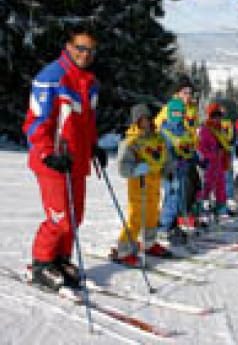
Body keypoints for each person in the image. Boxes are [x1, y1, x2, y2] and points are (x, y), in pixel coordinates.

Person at [23, 26, 107, 290]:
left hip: (76, 160)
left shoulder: (89, 82)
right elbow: (35, 122)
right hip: (53, 160)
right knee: (60, 217)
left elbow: (86, 122)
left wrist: (94, 146)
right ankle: (41, 263)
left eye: (91, 50)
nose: (86, 54)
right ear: (69, 47)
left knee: (75, 216)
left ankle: (60, 259)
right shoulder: (51, 77)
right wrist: (47, 153)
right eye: (81, 48)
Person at [114, 104, 171, 266]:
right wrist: (136, 169)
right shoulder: (131, 142)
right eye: (141, 120)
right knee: (136, 217)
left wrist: (169, 172)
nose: (145, 122)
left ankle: (149, 242)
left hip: (154, 184)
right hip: (139, 184)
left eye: (147, 119)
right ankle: (124, 249)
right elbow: (122, 167)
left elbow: (166, 159)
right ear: (135, 122)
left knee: (153, 214)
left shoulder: (158, 139)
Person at [158, 98, 196, 244]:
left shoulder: (184, 131)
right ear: (168, 113)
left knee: (180, 198)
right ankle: (163, 227)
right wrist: (173, 161)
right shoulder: (165, 131)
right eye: (174, 112)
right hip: (170, 171)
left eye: (180, 113)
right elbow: (164, 151)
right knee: (171, 199)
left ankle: (173, 224)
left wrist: (197, 159)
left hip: (183, 170)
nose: (177, 115)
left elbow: (190, 148)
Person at [198, 103, 230, 220]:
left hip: (219, 162)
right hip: (210, 162)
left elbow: (224, 144)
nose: (217, 119)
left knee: (221, 184)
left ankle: (220, 206)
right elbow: (201, 147)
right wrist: (211, 156)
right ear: (210, 117)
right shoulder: (205, 129)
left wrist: (224, 153)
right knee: (206, 185)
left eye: (219, 117)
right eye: (215, 117)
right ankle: (202, 207)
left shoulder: (220, 129)